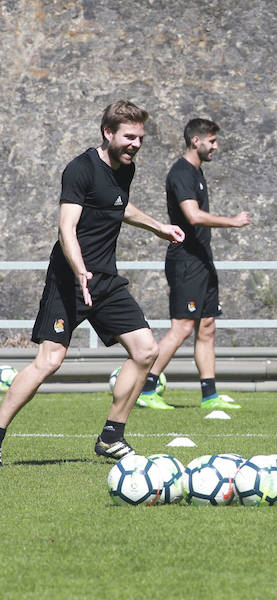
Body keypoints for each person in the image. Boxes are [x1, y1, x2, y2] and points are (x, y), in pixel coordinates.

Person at [0, 100, 184, 466]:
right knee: (49, 361)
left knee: (146, 351)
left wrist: (158, 226)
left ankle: (111, 437)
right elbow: (66, 227)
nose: (136, 144)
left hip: (105, 282)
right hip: (69, 280)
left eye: (140, 138)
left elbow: (119, 206)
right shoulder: (80, 169)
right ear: (108, 133)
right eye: (129, 137)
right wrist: (80, 269)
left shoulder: (125, 169)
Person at [135, 119, 250, 411]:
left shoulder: (197, 172)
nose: (215, 147)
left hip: (202, 258)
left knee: (207, 326)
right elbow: (193, 215)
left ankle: (210, 395)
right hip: (185, 260)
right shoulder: (182, 173)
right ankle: (147, 388)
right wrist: (233, 222)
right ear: (195, 141)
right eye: (211, 141)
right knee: (183, 327)